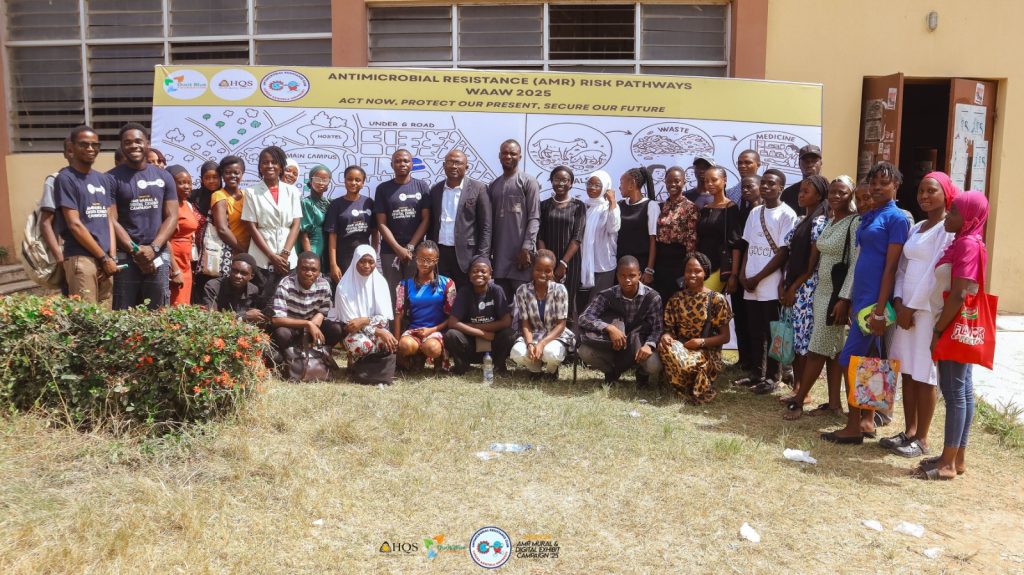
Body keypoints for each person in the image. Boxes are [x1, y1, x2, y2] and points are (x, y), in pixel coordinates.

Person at [822, 162, 910, 445]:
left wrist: (880, 310)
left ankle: (853, 425)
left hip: (875, 301)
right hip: (861, 298)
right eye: (874, 183)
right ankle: (866, 421)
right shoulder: (871, 215)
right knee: (870, 361)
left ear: (896, 185)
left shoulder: (897, 219)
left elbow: (891, 268)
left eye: (884, 183)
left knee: (850, 360)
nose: (877, 188)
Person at [882, 172, 957, 456]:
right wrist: (899, 301)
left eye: (931, 191)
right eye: (921, 191)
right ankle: (909, 431)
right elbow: (902, 267)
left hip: (926, 311)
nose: (924, 196)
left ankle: (922, 439)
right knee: (907, 369)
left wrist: (911, 307)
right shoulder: (917, 227)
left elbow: (934, 274)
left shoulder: (947, 230)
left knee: (924, 373)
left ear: (946, 194)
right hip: (905, 310)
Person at [919, 190, 989, 480]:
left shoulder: (968, 245)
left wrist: (938, 331)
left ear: (970, 217)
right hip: (955, 324)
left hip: (952, 325)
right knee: (962, 391)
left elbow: (961, 292)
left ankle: (947, 464)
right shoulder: (965, 241)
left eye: (956, 211)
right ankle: (956, 458)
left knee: (954, 392)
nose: (948, 215)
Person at [783, 176, 859, 419]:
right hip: (821, 291)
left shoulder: (854, 222)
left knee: (816, 350)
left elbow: (855, 264)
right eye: (833, 192)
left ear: (851, 194)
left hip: (836, 295)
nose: (836, 196)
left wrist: (844, 299)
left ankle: (799, 400)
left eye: (842, 192)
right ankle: (834, 404)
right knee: (833, 352)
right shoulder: (831, 220)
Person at [736, 169, 798, 393]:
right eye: (763, 183)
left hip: (770, 282)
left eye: (771, 184)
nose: (765, 187)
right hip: (750, 281)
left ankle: (774, 376)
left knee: (773, 331)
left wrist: (758, 277)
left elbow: (783, 252)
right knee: (755, 330)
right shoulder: (755, 212)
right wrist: (743, 274)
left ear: (781, 187)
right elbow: (748, 245)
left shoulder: (787, 214)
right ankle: (757, 373)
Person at [108, 123, 178, 310]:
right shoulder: (110, 179)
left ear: (147, 143)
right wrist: (136, 252)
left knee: (158, 314)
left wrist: (153, 248)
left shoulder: (164, 176)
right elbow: (111, 220)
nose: (133, 145)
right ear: (122, 146)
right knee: (124, 314)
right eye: (127, 142)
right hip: (126, 256)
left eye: (138, 141)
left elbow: (172, 216)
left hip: (158, 254)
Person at [54, 125, 118, 306]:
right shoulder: (65, 178)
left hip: (106, 260)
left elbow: (109, 220)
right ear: (71, 148)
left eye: (95, 145)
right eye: (84, 144)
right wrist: (103, 258)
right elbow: (74, 224)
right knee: (86, 316)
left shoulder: (103, 179)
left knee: (106, 317)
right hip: (81, 258)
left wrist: (111, 257)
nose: (90, 149)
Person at [659, 252, 733, 403]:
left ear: (705, 273)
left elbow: (725, 337)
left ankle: (688, 384)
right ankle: (684, 382)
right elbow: (669, 330)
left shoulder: (716, 299)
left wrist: (701, 342)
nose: (692, 275)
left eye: (697, 271)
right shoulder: (676, 298)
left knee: (687, 363)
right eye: (688, 271)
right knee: (664, 347)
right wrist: (666, 336)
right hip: (682, 347)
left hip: (706, 351)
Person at [779, 174, 829, 394]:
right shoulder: (801, 220)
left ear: (818, 196)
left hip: (806, 288)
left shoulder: (819, 223)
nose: (800, 195)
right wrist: (783, 283)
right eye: (800, 191)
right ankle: (797, 387)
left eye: (806, 192)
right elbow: (788, 254)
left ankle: (803, 392)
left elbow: (811, 266)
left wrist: (793, 288)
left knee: (803, 342)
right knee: (794, 339)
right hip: (793, 284)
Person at [577, 256, 663, 384]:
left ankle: (641, 373)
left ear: (639, 275)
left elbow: (657, 329)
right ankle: (611, 372)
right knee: (585, 351)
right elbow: (584, 317)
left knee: (654, 365)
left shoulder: (652, 297)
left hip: (639, 346)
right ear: (617, 276)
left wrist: (649, 345)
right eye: (623, 275)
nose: (627, 280)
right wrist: (609, 328)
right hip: (612, 346)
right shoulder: (607, 295)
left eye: (632, 275)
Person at [242, 146, 302, 308]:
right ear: (260, 167)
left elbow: (296, 224)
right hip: (261, 258)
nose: (269, 166)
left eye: (274, 162)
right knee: (262, 302)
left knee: (287, 302)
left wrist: (285, 253)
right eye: (265, 162)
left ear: (281, 166)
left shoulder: (292, 191)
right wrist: (272, 256)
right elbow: (252, 227)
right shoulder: (251, 192)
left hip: (287, 258)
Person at [428, 149, 491, 289]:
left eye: (458, 163)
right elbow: (431, 224)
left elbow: (486, 226)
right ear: (444, 165)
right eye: (450, 162)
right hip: (441, 253)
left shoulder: (479, 189)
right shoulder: (436, 189)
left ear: (466, 167)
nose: (453, 166)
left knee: (465, 294)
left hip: (467, 255)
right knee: (442, 293)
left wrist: (482, 257)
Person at [445, 256, 515, 376]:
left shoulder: (497, 290)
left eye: (483, 271)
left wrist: (476, 326)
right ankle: (462, 367)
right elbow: (452, 322)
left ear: (490, 274)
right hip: (470, 343)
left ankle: (499, 366)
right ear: (469, 274)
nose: (479, 274)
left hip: (493, 341)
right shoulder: (464, 292)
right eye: (475, 271)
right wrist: (482, 333)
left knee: (510, 334)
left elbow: (506, 322)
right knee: (451, 334)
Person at [488, 139, 541, 299]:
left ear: (520, 157)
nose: (508, 156)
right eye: (505, 153)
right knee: (501, 304)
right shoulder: (494, 185)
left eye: (513, 153)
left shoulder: (528, 181)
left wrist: (526, 248)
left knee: (524, 304)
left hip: (521, 258)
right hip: (499, 259)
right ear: (499, 156)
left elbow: (534, 217)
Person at [510, 249, 574, 376]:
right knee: (517, 353)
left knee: (551, 353)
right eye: (538, 269)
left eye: (547, 271)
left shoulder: (560, 290)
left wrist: (541, 344)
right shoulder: (522, 291)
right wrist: (530, 344)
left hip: (555, 335)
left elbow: (561, 325)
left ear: (553, 271)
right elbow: (525, 323)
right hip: (534, 334)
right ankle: (535, 369)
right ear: (532, 269)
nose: (542, 274)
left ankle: (551, 371)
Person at [375, 149, 431, 294]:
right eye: (398, 161)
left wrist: (411, 246)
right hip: (390, 251)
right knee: (394, 293)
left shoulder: (422, 186)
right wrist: (398, 249)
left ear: (412, 164)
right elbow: (381, 223)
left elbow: (426, 219)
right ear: (392, 165)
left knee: (415, 292)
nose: (402, 164)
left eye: (406, 161)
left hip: (416, 251)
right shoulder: (382, 189)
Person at [394, 240, 456, 369]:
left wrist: (431, 330)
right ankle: (417, 356)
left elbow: (452, 316)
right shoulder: (405, 285)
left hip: (437, 330)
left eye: (429, 260)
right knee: (405, 346)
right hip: (414, 330)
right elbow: (398, 315)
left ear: (436, 261)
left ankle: (437, 357)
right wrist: (397, 344)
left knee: (432, 348)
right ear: (415, 259)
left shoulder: (447, 284)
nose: (425, 264)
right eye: (421, 259)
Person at [270, 251, 343, 359]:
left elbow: (322, 312)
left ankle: (321, 355)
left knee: (336, 329)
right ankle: (289, 357)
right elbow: (276, 320)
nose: (309, 273)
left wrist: (312, 325)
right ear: (297, 269)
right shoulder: (286, 284)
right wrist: (307, 324)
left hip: (311, 328)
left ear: (319, 272)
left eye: (314, 270)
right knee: (281, 334)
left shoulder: (324, 285)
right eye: (304, 269)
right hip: (291, 327)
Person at [331, 244, 399, 360]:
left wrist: (364, 320)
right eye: (362, 261)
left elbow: (384, 319)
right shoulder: (343, 287)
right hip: (351, 333)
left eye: (371, 262)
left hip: (376, 328)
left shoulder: (381, 283)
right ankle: (355, 362)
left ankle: (367, 365)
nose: (367, 266)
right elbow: (351, 325)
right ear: (355, 261)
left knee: (388, 343)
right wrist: (376, 330)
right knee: (364, 346)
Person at [538, 165, 586, 321]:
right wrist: (546, 264)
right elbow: (540, 236)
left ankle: (567, 333)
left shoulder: (578, 206)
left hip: (570, 263)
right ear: (551, 181)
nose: (560, 183)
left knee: (567, 305)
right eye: (557, 179)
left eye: (565, 180)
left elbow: (577, 237)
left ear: (571, 183)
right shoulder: (544, 205)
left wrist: (563, 264)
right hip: (547, 264)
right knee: (547, 303)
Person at [652, 166, 699, 302]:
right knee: (661, 298)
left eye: (677, 181)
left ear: (684, 182)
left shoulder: (690, 207)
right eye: (669, 181)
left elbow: (692, 238)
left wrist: (688, 267)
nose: (672, 184)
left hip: (679, 260)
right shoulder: (661, 206)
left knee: (678, 299)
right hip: (661, 260)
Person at [326, 165, 378, 282]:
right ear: (344, 181)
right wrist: (333, 264)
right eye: (349, 179)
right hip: (343, 257)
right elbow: (332, 236)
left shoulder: (369, 202)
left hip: (364, 257)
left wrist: (373, 256)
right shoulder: (336, 205)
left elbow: (375, 232)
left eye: (357, 180)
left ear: (363, 183)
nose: (353, 183)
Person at [732, 174, 762, 373]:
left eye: (750, 186)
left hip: (762, 273)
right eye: (743, 187)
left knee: (758, 322)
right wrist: (737, 274)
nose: (745, 190)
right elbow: (739, 244)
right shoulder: (741, 211)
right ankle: (745, 360)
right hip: (742, 271)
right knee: (741, 318)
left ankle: (760, 363)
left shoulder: (768, 211)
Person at [578, 170, 620, 309]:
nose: (592, 188)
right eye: (589, 184)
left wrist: (612, 202)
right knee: (582, 307)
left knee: (597, 307)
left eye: (597, 185)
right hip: (584, 265)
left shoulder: (610, 207)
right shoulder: (584, 206)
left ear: (605, 187)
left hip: (604, 265)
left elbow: (613, 227)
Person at [696, 166, 741, 293]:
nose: (709, 184)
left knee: (704, 299)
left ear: (724, 180)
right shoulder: (705, 209)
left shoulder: (730, 208)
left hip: (720, 267)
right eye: (706, 181)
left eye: (714, 180)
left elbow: (736, 244)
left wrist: (734, 275)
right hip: (701, 265)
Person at [37, 138, 73, 292]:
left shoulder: (95, 179)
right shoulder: (54, 180)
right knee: (74, 299)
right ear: (65, 153)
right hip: (68, 252)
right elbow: (45, 222)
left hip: (93, 252)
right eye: (70, 150)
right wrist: (59, 257)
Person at [616, 167, 659, 288]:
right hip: (621, 265)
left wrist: (649, 270)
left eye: (621, 182)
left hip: (641, 265)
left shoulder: (651, 206)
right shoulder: (619, 205)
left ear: (632, 184)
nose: (619, 187)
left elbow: (653, 240)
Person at [209, 156, 250, 277]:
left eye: (236, 173)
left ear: (242, 174)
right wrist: (243, 251)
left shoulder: (247, 195)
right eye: (227, 173)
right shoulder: (219, 195)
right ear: (222, 174)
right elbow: (222, 229)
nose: (232, 176)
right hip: (229, 254)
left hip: (248, 254)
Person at [165, 165, 200, 305]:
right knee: (174, 304)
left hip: (186, 262)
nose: (187, 186)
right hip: (174, 262)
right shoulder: (168, 206)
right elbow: (165, 241)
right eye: (181, 183)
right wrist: (175, 270)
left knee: (184, 305)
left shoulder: (187, 204)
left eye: (189, 183)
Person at [203, 253, 266, 326]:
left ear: (251, 276)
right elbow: (211, 316)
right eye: (235, 271)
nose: (238, 276)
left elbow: (252, 317)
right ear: (230, 270)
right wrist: (243, 316)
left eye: (244, 273)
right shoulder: (213, 286)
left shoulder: (253, 290)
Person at [189, 160, 221, 303]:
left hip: (217, 252)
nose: (211, 181)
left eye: (215, 177)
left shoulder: (225, 196)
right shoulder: (193, 196)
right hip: (195, 251)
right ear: (201, 179)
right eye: (207, 178)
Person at [299, 164, 332, 269]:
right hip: (313, 247)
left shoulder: (329, 203)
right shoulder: (305, 203)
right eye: (317, 179)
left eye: (325, 180)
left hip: (328, 248)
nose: (321, 183)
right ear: (310, 180)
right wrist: (309, 257)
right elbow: (303, 234)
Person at [780, 144, 822, 213]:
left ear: (821, 163)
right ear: (799, 164)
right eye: (806, 161)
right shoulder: (788, 193)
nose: (810, 164)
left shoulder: (829, 192)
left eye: (814, 161)